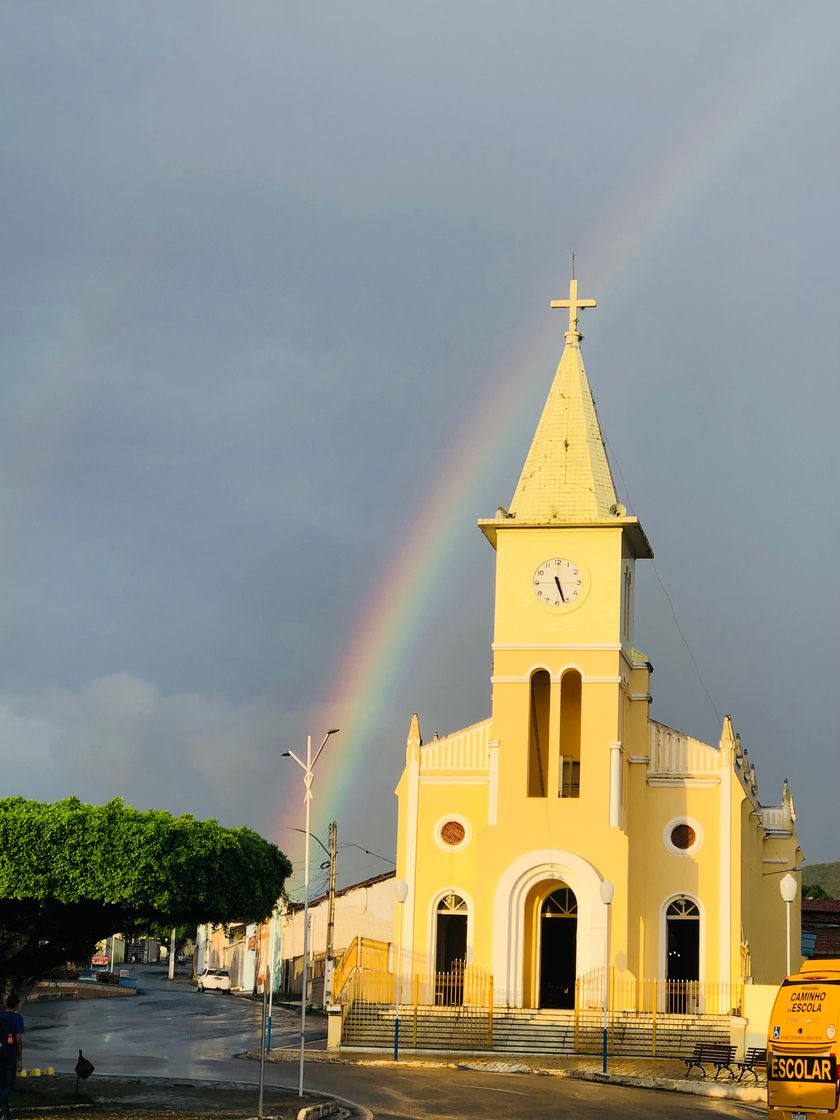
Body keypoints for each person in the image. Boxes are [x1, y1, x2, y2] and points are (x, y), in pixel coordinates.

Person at [0, 992, 24, 1120]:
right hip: (10, 1055)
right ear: (16, 1005)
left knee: (2, 1085)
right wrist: (20, 1059)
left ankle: (6, 1115)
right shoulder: (17, 1018)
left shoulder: (0, 1016)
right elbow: (19, 1039)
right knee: (10, 1086)